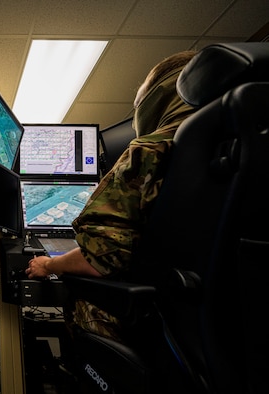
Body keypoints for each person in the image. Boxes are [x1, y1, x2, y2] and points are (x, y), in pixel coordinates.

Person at [25, 50, 198, 343]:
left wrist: (48, 264)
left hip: (160, 319)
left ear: (158, 97)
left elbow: (99, 259)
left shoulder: (152, 150)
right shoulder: (238, 143)